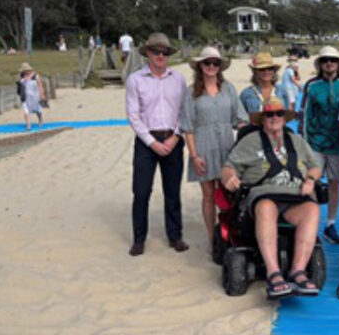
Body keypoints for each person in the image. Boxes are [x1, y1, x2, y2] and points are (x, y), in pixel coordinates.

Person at [220, 97, 323, 299]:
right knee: (267, 207)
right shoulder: (250, 142)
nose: (274, 118)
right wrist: (228, 177)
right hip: (263, 194)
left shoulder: (297, 141)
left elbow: (315, 166)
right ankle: (273, 272)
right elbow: (228, 167)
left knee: (312, 209)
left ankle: (298, 271)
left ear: (284, 119)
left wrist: (311, 179)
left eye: (278, 114)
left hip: (295, 196)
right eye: (269, 115)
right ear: (263, 119)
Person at [125, 33, 189, 257]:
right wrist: (152, 143)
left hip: (173, 139)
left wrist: (175, 136)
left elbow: (185, 111)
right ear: (148, 54)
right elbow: (133, 116)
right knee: (141, 192)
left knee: (173, 192)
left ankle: (175, 236)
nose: (160, 56)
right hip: (146, 141)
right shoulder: (135, 80)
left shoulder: (178, 79)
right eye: (156, 52)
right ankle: (139, 239)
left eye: (164, 52)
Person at [180, 47, 248, 253]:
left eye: (215, 63)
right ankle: (212, 238)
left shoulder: (228, 89)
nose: (211, 66)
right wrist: (194, 155)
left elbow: (240, 118)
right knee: (208, 195)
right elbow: (188, 127)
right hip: (203, 148)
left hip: (226, 147)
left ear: (219, 67)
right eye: (207, 63)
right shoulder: (191, 92)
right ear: (200, 65)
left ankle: (228, 233)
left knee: (228, 193)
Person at [301, 46, 339, 244]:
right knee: (311, 182)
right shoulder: (312, 85)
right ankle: (311, 224)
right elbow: (305, 113)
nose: (329, 63)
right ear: (320, 64)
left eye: (333, 59)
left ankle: (330, 224)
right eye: (325, 60)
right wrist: (304, 142)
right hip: (315, 143)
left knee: (334, 183)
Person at [240, 52, 291, 117]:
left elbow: (285, 116)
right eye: (262, 69)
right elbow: (241, 117)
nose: (266, 72)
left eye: (270, 68)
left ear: (274, 71)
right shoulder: (246, 93)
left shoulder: (282, 91)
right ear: (255, 72)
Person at [18, 62, 45, 131]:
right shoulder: (22, 76)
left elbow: (40, 85)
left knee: (37, 109)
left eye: (25, 70)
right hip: (25, 96)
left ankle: (40, 120)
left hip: (35, 95)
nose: (25, 72)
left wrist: (42, 94)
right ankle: (28, 125)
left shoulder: (35, 76)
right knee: (26, 110)